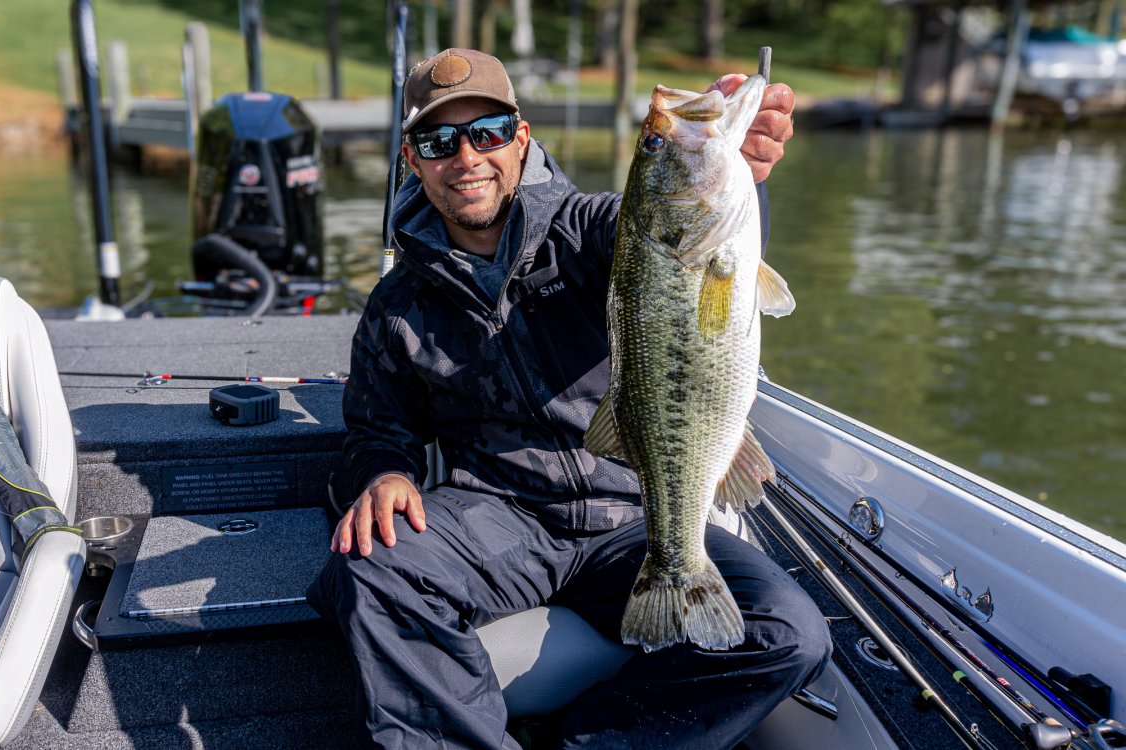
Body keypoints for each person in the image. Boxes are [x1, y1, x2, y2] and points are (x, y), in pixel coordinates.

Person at [308, 48, 831, 749]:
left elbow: (686, 244)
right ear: (414, 159)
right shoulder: (397, 305)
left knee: (789, 635)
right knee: (368, 574)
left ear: (521, 138)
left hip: (637, 510)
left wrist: (745, 169)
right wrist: (383, 474)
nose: (466, 156)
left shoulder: (598, 230)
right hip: (501, 517)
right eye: (439, 142)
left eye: (487, 132)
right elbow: (376, 428)